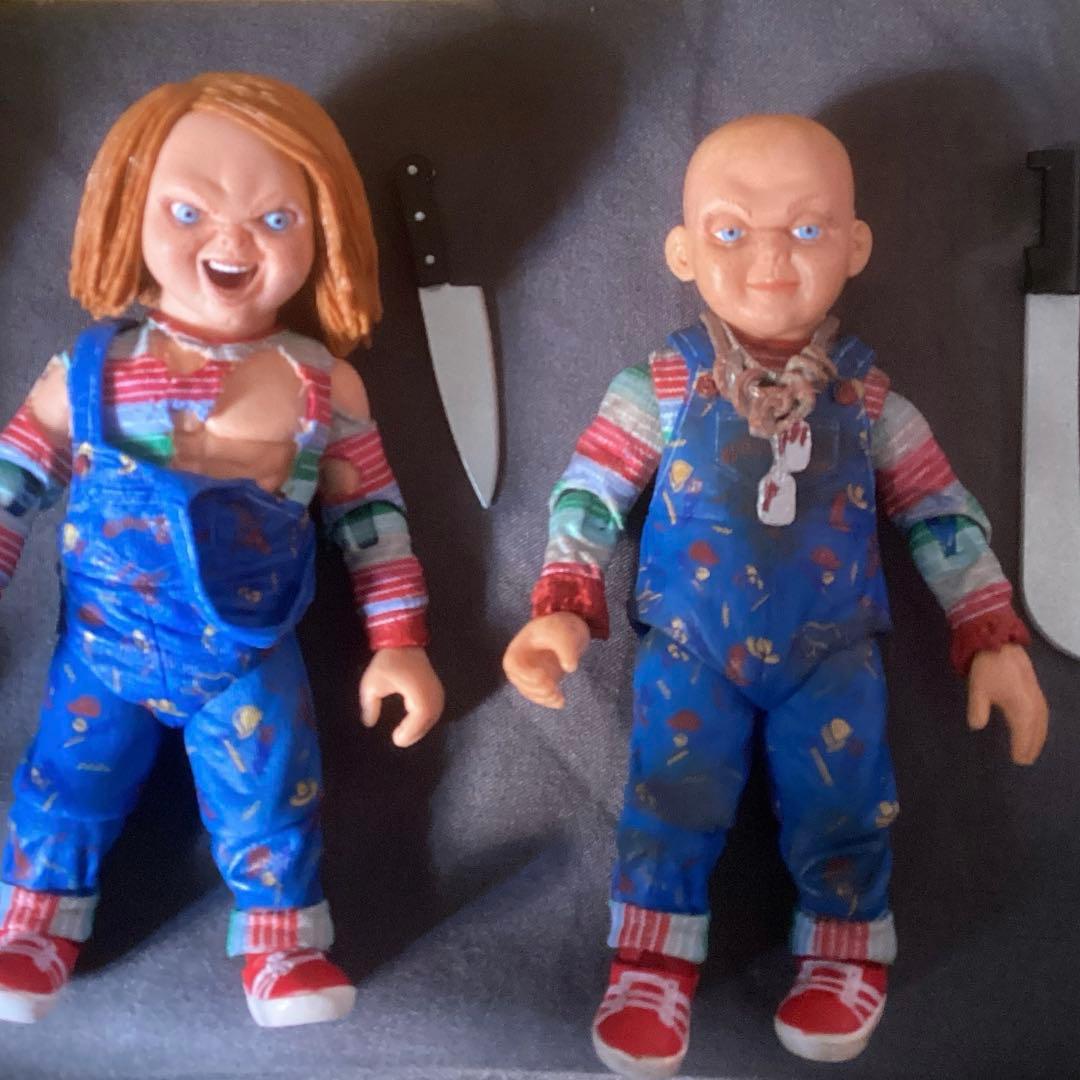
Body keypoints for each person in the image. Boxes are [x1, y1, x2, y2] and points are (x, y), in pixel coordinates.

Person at [503, 114, 1048, 1074]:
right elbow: (589, 492)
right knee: (668, 799)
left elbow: (941, 512)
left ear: (855, 245)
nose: (769, 259)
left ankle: (844, 955)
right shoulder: (660, 385)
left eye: (805, 228)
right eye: (730, 230)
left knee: (845, 802)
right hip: (690, 647)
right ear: (682, 251)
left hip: (830, 652)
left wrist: (991, 632)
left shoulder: (870, 401)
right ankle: (648, 965)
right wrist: (561, 604)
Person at [0, 73, 444, 1028]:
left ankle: (284, 943)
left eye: (276, 218)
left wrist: (399, 641)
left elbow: (374, 524)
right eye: (189, 211)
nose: (233, 241)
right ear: (127, 212)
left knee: (272, 798)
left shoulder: (323, 387)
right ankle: (31, 924)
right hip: (103, 647)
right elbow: (10, 482)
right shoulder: (90, 370)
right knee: (65, 780)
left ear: (326, 234)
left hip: (247, 654)